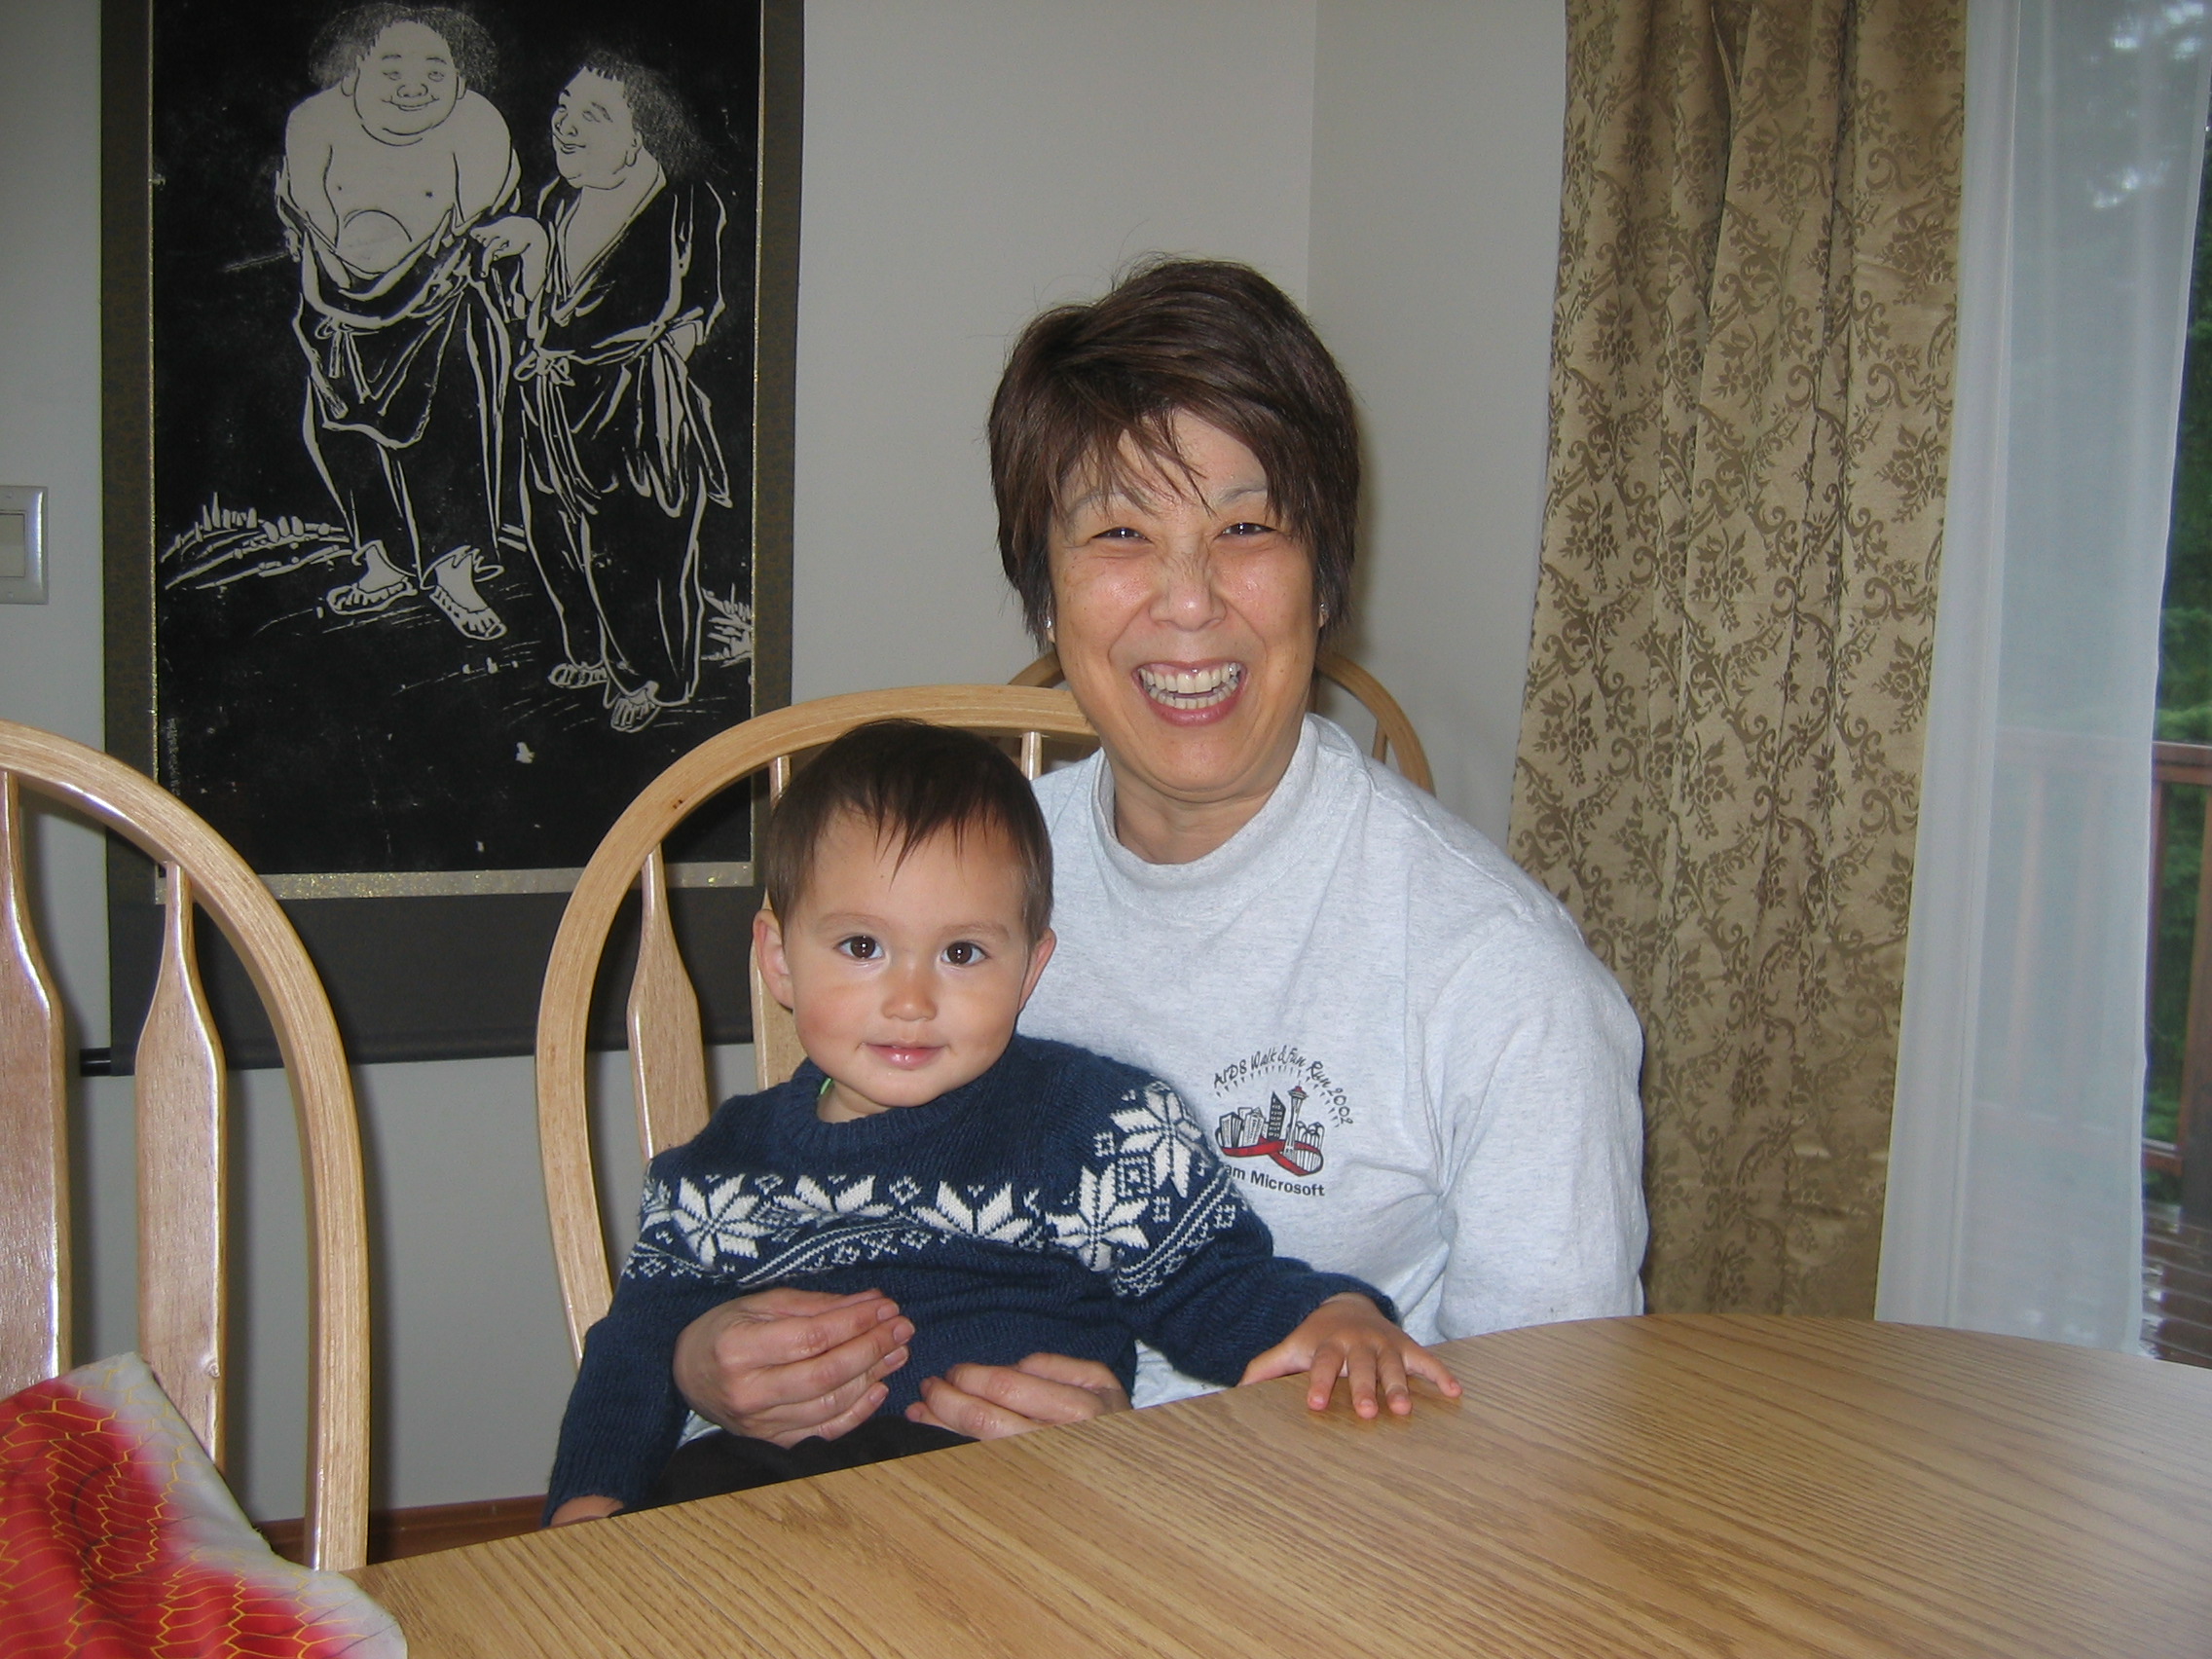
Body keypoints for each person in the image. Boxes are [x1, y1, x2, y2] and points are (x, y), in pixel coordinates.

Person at [666, 258, 1647, 1449]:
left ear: (1324, 580)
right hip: (891, 1499)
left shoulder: (1500, 977)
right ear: (1045, 593)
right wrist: (700, 1355)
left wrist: (1137, 1463)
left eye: (1246, 527)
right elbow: (793, 1198)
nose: (1187, 602)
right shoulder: (950, 891)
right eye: (1121, 532)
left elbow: (1545, 1445)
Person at [544, 720, 1456, 1524]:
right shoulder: (715, 1174)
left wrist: (1334, 1314)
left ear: (1029, 968)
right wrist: (587, 1507)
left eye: (963, 952)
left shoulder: (1102, 1130)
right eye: (862, 946)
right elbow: (633, 1353)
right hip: (765, 1504)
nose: (910, 999)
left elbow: (1214, 1284)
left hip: (1011, 1503)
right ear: (779, 959)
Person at [472, 57, 731, 733]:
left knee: (641, 543)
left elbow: (697, 302)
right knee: (555, 531)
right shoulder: (554, 202)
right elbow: (535, 315)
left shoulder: (683, 201)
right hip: (553, 401)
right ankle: (588, 650)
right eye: (564, 108)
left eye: (594, 116)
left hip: (635, 402)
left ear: (641, 132)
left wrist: (661, 368)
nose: (566, 126)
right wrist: (529, 258)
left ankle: (653, 676)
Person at [279, 5, 519, 640]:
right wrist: (350, 277)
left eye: (435, 70)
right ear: (354, 71)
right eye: (393, 68)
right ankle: (380, 565)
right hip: (336, 308)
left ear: (461, 79)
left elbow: (475, 220)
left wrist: (420, 272)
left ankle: (453, 571)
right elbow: (309, 211)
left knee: (449, 438)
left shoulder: (479, 125)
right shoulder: (314, 123)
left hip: (439, 311)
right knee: (345, 438)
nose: (414, 85)